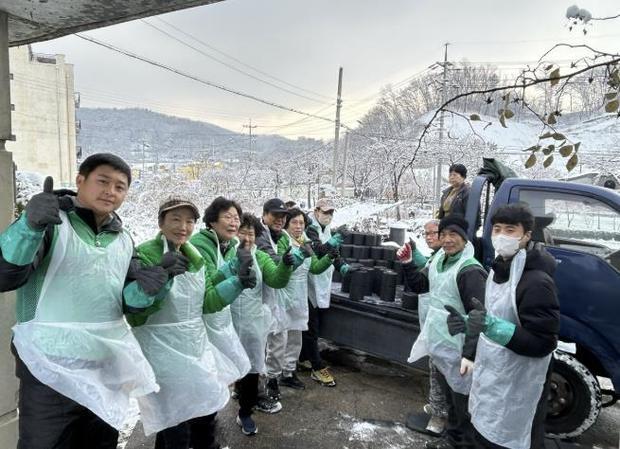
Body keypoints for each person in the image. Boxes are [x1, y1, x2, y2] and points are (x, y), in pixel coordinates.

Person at [0, 153, 164, 449]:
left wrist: (150, 289)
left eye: (120, 187)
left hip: (104, 369)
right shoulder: (50, 223)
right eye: (103, 181)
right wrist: (29, 227)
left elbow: (128, 302)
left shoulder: (124, 239)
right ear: (80, 181)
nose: (110, 192)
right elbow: (6, 276)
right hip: (48, 371)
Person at [126, 198, 247, 448]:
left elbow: (208, 302)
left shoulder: (194, 256)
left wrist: (238, 283)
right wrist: (161, 276)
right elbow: (135, 313)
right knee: (176, 425)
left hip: (194, 347)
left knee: (203, 412)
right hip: (161, 351)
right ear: (161, 222)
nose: (183, 227)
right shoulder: (146, 253)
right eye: (175, 219)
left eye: (189, 221)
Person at [446, 203, 560, 449]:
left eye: (510, 230)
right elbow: (491, 316)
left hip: (520, 385)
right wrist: (470, 326)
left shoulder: (537, 282)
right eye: (497, 229)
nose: (501, 236)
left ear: (526, 235)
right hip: (494, 377)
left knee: (510, 439)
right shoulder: (498, 271)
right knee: (484, 433)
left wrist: (493, 327)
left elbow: (544, 343)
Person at [407, 214, 487, 449]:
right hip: (442, 343)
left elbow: (479, 316)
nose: (448, 240)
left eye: (454, 235)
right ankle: (450, 440)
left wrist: (470, 354)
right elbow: (421, 286)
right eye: (444, 235)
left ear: (465, 238)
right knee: (451, 400)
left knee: (464, 405)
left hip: (461, 348)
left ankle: (463, 444)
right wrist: (407, 264)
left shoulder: (470, 270)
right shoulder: (439, 259)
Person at [229, 213, 295, 435]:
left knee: (251, 368)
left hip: (251, 323)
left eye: (251, 233)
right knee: (221, 368)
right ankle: (202, 420)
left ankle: (245, 412)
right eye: (243, 231)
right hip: (225, 322)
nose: (247, 236)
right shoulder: (226, 253)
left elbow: (276, 279)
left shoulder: (261, 257)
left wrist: (285, 266)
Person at [264, 208, 334, 394]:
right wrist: (295, 258)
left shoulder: (305, 242)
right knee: (279, 340)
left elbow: (315, 268)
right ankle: (272, 378)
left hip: (300, 297)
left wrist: (329, 258)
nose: (299, 226)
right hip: (283, 295)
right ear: (287, 224)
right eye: (294, 222)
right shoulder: (282, 241)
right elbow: (280, 266)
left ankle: (288, 373)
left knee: (295, 339)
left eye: (302, 223)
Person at [398, 219, 449, 436]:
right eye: (426, 233)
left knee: (440, 368)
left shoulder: (449, 258)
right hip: (432, 322)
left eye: (433, 233)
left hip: (442, 326)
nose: (429, 237)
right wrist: (412, 257)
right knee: (433, 364)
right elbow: (423, 273)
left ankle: (440, 415)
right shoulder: (436, 257)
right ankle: (437, 405)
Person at [300, 197, 350, 387]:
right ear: (316, 211)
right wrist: (334, 242)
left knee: (312, 324)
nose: (328, 216)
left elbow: (332, 253)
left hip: (322, 280)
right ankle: (316, 366)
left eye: (331, 213)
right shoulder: (309, 229)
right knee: (312, 326)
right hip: (309, 281)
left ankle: (304, 357)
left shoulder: (326, 230)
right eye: (325, 212)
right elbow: (318, 251)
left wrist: (341, 265)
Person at [255, 198, 295, 401]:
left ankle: (272, 379)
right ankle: (249, 384)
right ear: (264, 215)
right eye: (275, 215)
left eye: (283, 216)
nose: (280, 219)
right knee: (257, 343)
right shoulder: (258, 233)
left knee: (279, 339)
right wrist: (290, 261)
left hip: (277, 296)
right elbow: (270, 260)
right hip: (258, 296)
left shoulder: (283, 236)